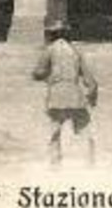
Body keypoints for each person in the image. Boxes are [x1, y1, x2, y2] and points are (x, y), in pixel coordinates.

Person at [33, 20, 98, 165]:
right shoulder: (75, 51)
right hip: (76, 96)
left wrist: (44, 76)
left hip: (56, 96)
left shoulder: (49, 50)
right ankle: (89, 162)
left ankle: (55, 164)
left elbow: (38, 72)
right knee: (84, 131)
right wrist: (92, 98)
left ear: (52, 35)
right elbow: (91, 81)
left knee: (54, 132)